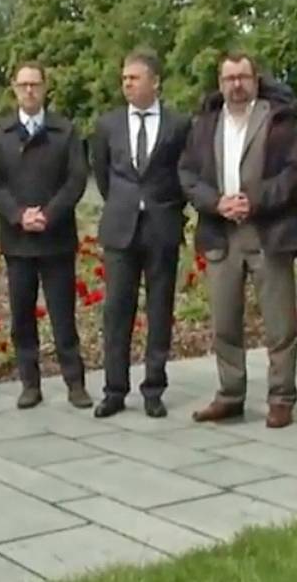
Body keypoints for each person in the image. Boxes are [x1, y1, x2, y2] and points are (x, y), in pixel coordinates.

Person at [180, 51, 297, 429]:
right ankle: (230, 394)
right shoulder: (205, 124)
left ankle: (281, 397)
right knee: (224, 322)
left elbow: (295, 172)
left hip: (268, 232)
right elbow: (187, 174)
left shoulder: (279, 120)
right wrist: (216, 202)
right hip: (222, 233)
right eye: (229, 78)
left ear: (255, 80)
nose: (236, 84)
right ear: (220, 83)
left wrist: (256, 202)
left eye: (243, 77)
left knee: (280, 322)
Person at [0, 61, 93, 410]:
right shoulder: (0, 133)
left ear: (45, 88)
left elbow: (76, 179)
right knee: (22, 317)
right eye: (22, 85)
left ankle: (75, 383)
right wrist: (18, 215)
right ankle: (30, 383)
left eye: (35, 84)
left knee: (63, 316)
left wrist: (49, 214)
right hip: (19, 242)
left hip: (56, 237)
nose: (29, 91)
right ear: (14, 89)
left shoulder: (66, 130)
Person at [89, 49, 191, 419]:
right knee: (117, 311)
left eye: (134, 78)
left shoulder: (178, 125)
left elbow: (186, 173)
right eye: (124, 78)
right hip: (121, 229)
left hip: (161, 228)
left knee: (160, 309)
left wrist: (165, 207)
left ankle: (153, 388)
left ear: (155, 82)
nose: (126, 84)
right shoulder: (108, 125)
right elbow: (102, 174)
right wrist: (125, 203)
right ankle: (115, 389)